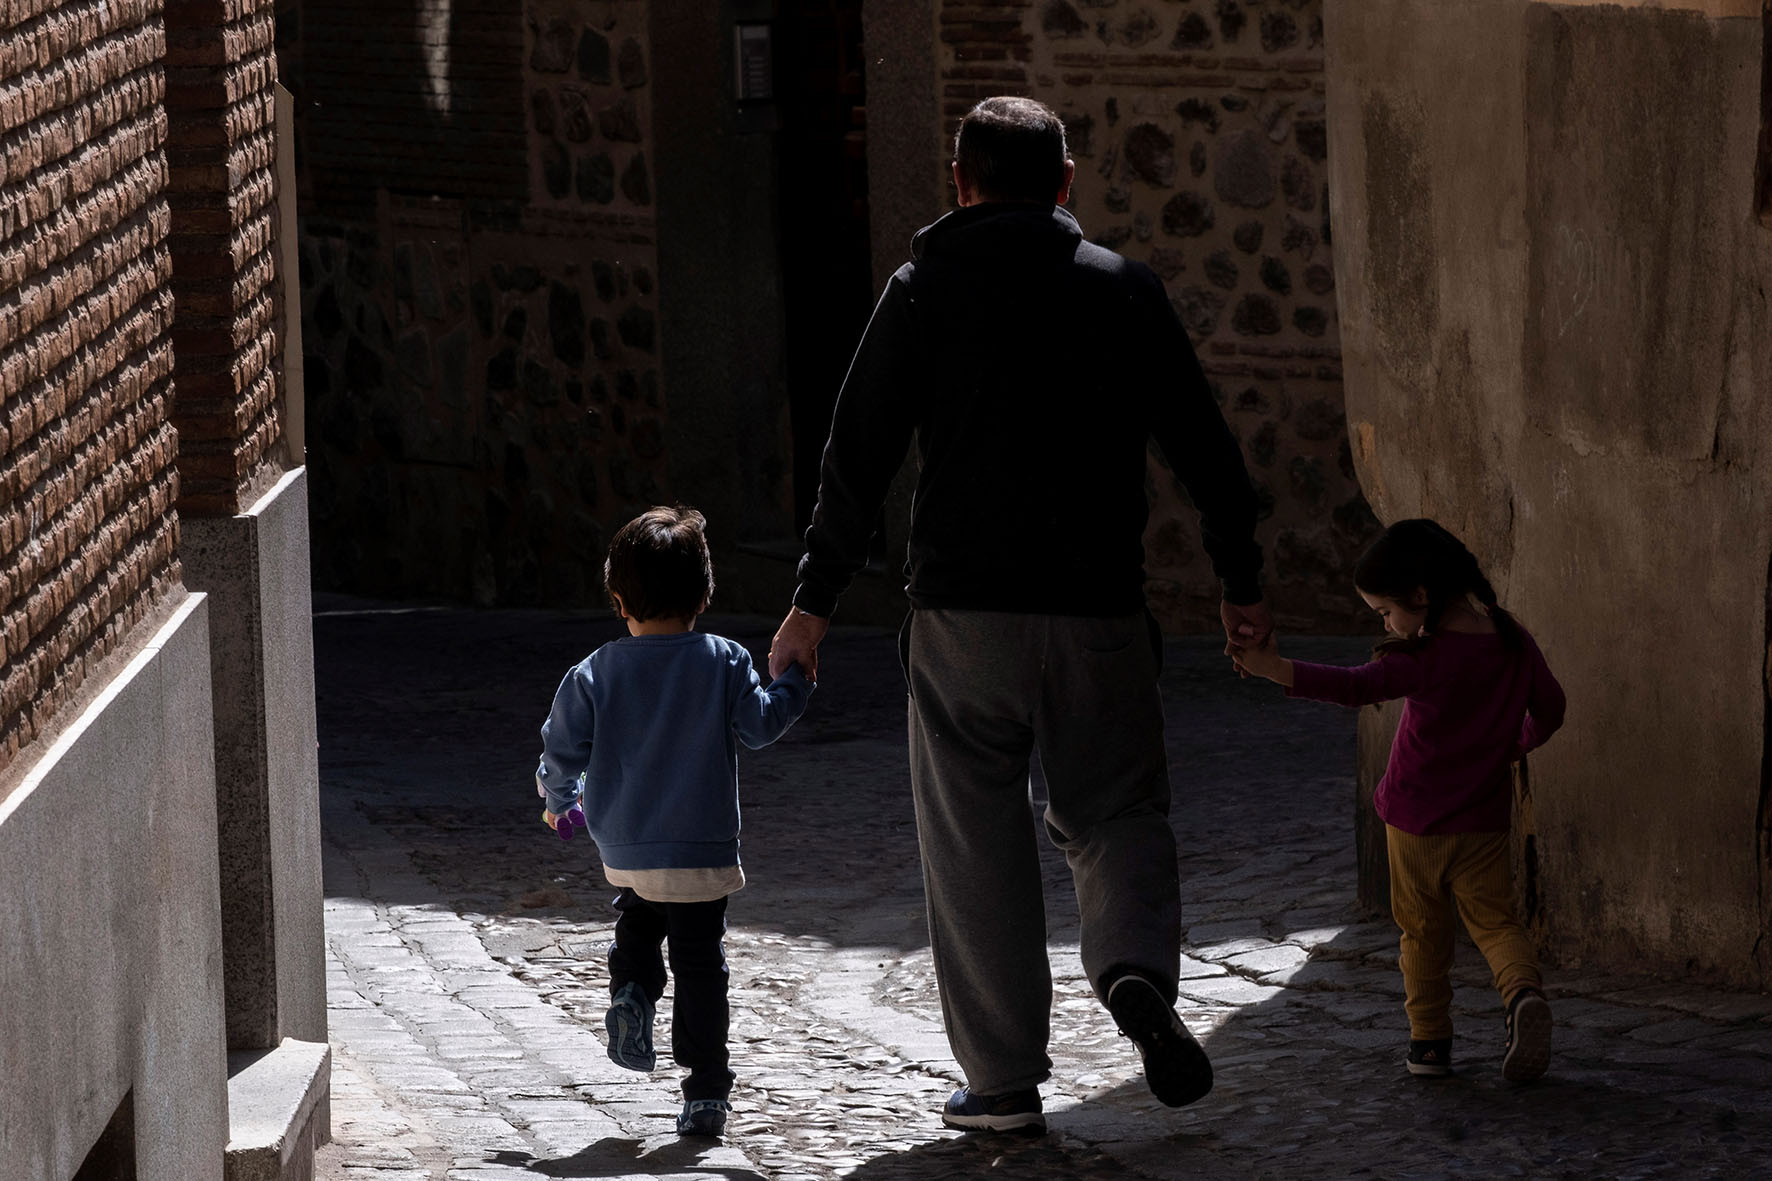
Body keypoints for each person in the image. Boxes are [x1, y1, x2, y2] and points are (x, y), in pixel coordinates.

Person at [769, 96, 1271, 1134]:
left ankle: (999, 1079)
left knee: (973, 839)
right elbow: (1205, 450)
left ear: (958, 183)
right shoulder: (1122, 289)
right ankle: (1131, 967)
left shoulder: (919, 291)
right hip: (1095, 608)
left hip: (962, 615)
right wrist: (1242, 581)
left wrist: (810, 603)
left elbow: (853, 454)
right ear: (1066, 181)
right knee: (1118, 809)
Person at [1228, 518, 1565, 1083]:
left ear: (1421, 595)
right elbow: (1551, 709)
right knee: (1496, 922)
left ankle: (1430, 1044)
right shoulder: (1512, 640)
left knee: (1423, 931)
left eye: (1385, 612)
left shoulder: (1426, 656)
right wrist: (1513, 745)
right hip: (1483, 818)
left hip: (1414, 821)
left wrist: (1271, 668)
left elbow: (1356, 687)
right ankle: (1522, 995)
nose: (1387, 623)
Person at [536, 505, 814, 1137]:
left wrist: (560, 802)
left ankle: (632, 991)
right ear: (705, 592)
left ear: (617, 597)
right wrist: (795, 682)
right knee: (699, 964)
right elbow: (760, 725)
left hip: (627, 846)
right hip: (701, 849)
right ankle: (706, 1092)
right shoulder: (722, 659)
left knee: (638, 915)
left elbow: (560, 747)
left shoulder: (597, 670)